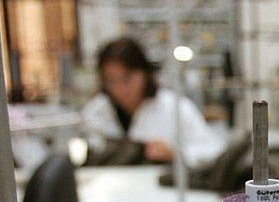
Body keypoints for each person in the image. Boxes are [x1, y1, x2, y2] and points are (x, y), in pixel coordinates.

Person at [82, 38, 224, 167]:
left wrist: (174, 154)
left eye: (126, 79)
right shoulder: (95, 112)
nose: (119, 88)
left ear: (144, 73)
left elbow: (212, 151)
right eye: (111, 80)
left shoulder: (175, 107)